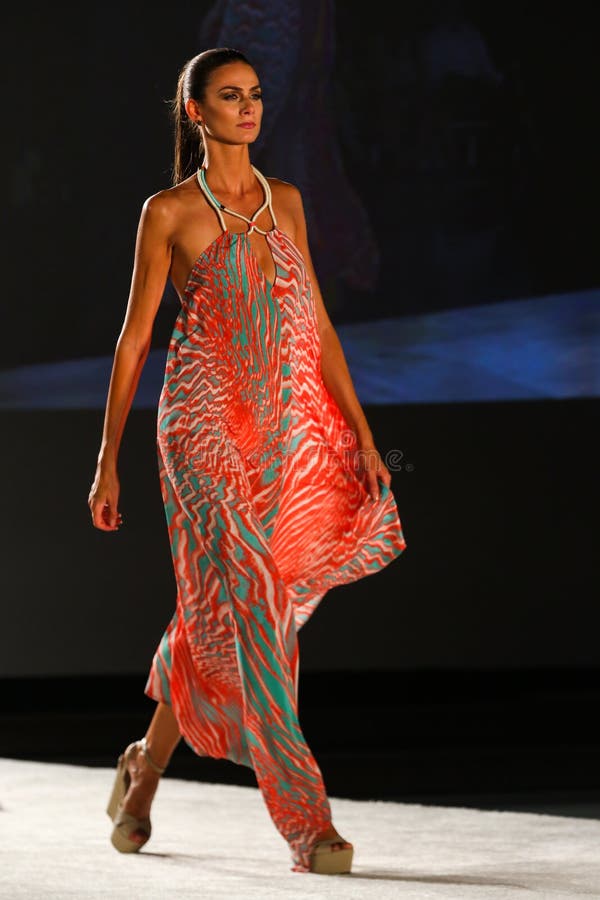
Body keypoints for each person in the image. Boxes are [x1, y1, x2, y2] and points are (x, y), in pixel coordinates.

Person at [88, 46, 406, 875]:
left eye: (256, 95)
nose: (249, 107)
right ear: (196, 111)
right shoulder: (167, 212)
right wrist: (106, 460)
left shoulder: (288, 201)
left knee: (225, 614)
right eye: (230, 96)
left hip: (279, 433)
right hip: (198, 430)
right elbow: (134, 341)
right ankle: (307, 821)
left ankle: (143, 768)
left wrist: (365, 437)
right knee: (256, 607)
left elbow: (322, 326)